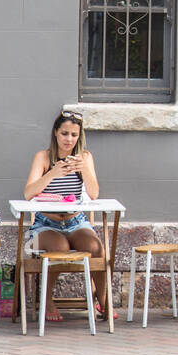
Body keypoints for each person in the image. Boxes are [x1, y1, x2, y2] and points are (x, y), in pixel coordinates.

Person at [24, 110, 103, 322]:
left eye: (74, 135)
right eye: (65, 133)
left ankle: (103, 301)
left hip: (75, 221)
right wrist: (53, 173)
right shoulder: (43, 157)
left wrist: (83, 169)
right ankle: (47, 301)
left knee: (96, 247)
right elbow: (28, 193)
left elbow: (94, 193)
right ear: (56, 133)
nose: (69, 139)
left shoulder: (85, 157)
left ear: (80, 136)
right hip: (46, 223)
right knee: (60, 247)